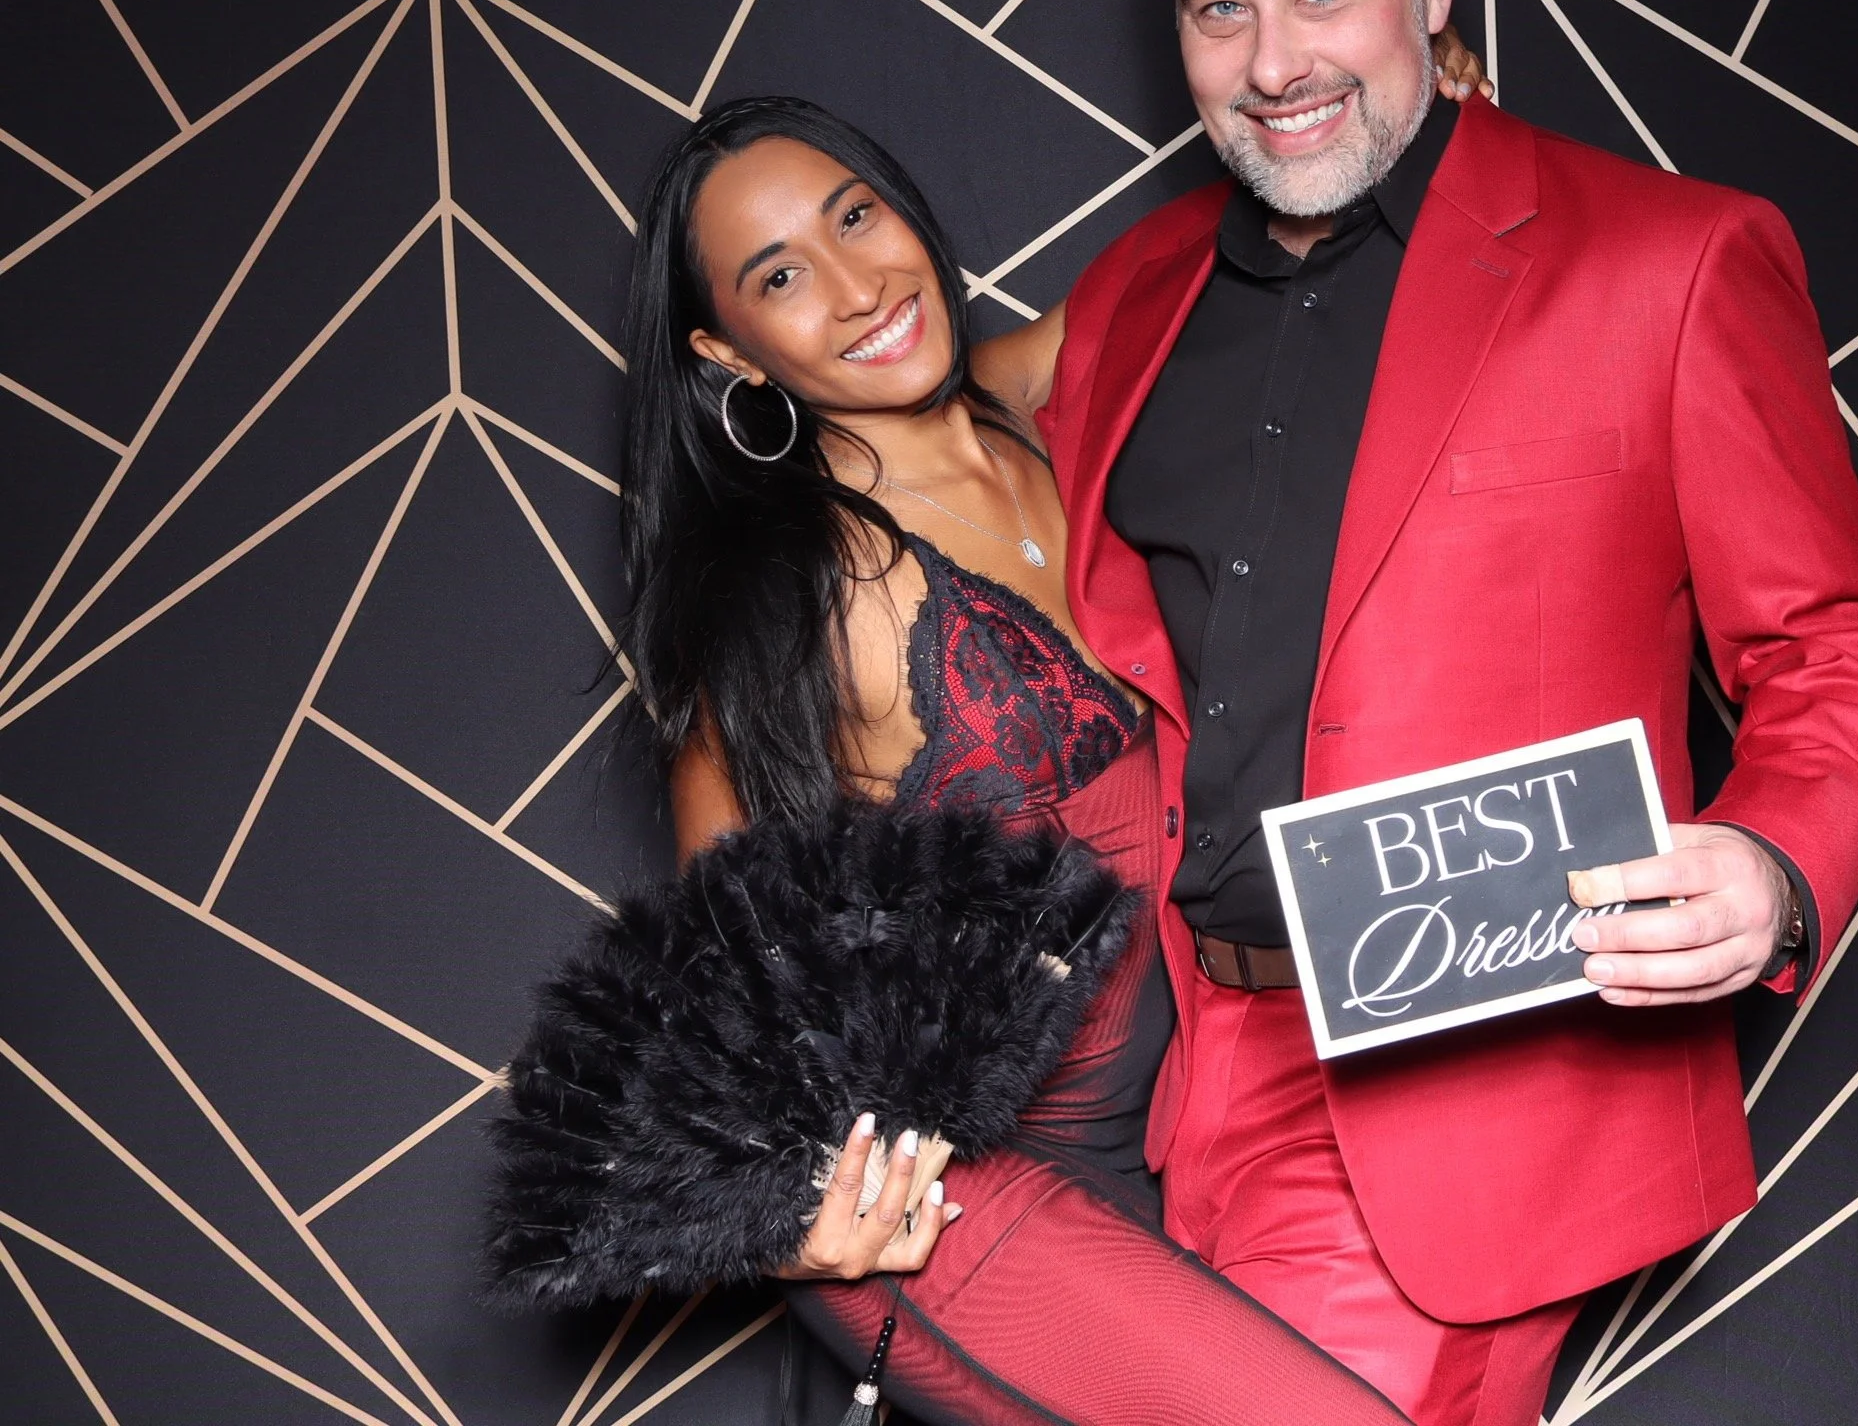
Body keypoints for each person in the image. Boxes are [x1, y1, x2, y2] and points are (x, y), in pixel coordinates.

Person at [975, 0, 1858, 1426]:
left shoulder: (1668, 260)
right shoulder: (1126, 296)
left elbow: (1830, 639)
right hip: (1163, 1078)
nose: (1271, 66)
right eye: (1218, 9)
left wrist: (1774, 863)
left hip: (1458, 1087)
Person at [617, 92, 1459, 1424]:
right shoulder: (793, 605)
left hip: (1161, 1142)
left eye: (855, 217)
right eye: (782, 276)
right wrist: (793, 1221)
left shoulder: (1027, 406)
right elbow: (723, 1009)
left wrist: (1388, 92)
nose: (854, 287)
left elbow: (1214, 258)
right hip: (953, 1211)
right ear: (728, 350)